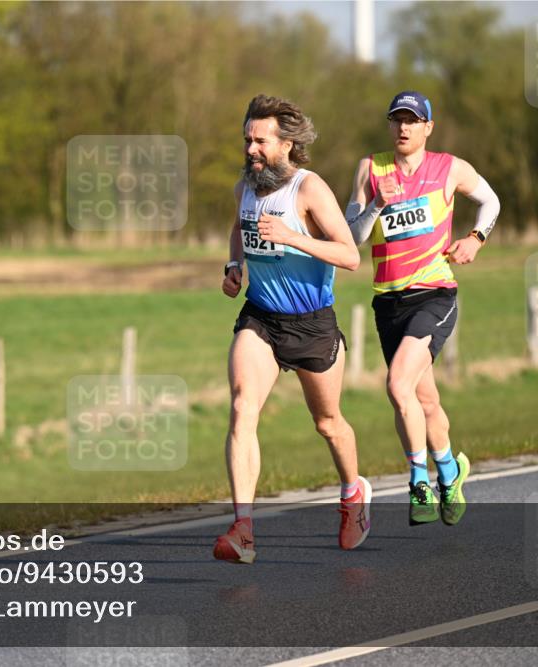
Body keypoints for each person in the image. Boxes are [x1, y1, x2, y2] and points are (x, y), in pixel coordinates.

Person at [213, 94, 370, 565]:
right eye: (247, 140)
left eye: (260, 141)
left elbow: (350, 255)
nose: (250, 149)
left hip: (312, 324)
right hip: (261, 317)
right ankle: (243, 529)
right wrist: (234, 265)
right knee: (242, 406)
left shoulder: (308, 188)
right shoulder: (246, 187)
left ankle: (353, 494)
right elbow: (239, 231)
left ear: (285, 144)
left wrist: (293, 238)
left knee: (328, 423)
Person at [345, 91, 500, 527]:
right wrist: (376, 202)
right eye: (397, 119)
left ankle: (419, 482)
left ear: (428, 127)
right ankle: (451, 472)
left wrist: (475, 238)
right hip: (388, 300)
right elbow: (351, 238)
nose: (403, 128)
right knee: (423, 399)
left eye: (412, 120)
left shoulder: (449, 168)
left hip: (433, 293)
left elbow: (492, 201)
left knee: (397, 386)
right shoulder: (370, 168)